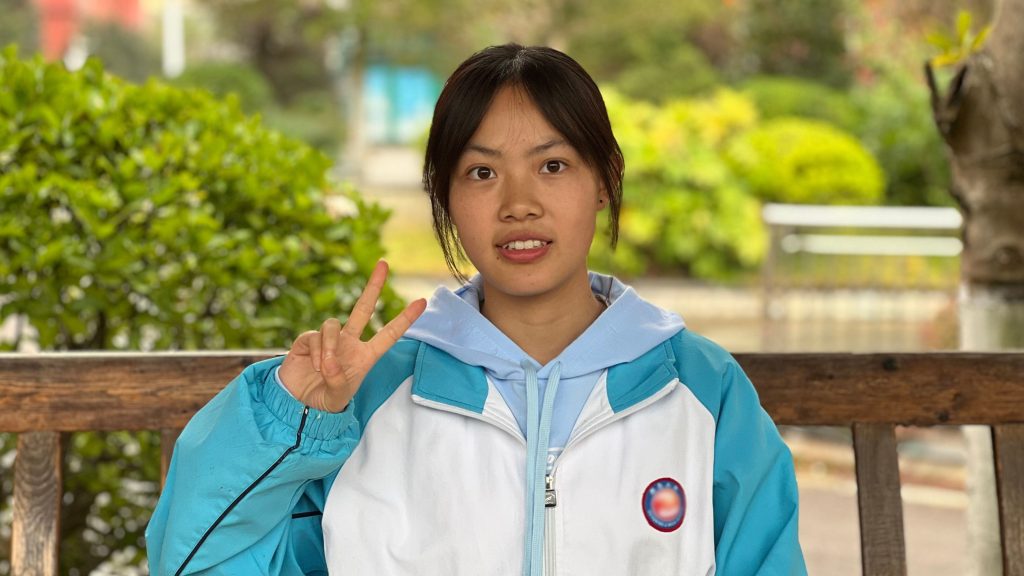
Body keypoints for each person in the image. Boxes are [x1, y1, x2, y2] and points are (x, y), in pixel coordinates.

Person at [146, 44, 806, 576]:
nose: (519, 202)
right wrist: (288, 417)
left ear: (605, 179)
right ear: (445, 195)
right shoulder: (366, 398)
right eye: (482, 173)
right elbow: (197, 562)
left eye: (552, 165)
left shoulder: (702, 389)